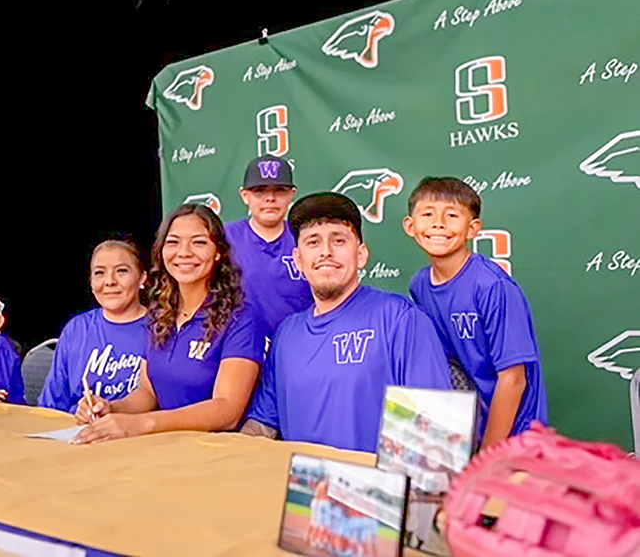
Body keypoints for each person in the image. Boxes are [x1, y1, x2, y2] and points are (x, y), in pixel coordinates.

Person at [242, 192, 452, 452]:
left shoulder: (399, 318)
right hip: (304, 490)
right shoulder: (286, 334)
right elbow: (263, 424)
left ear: (361, 255)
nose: (326, 252)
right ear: (298, 260)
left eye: (339, 240)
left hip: (375, 489)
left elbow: (435, 430)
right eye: (313, 242)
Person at [72, 204, 266, 444]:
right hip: (162, 450)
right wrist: (112, 408)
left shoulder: (241, 319)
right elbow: (148, 392)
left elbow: (227, 411)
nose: (184, 252)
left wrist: (145, 424)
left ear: (218, 253)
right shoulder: (159, 314)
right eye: (173, 242)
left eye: (198, 242)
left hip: (215, 456)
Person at [402, 177, 548, 449]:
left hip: (516, 438)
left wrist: (488, 455)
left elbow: (513, 379)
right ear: (410, 226)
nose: (438, 224)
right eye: (428, 214)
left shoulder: (493, 287)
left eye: (452, 215)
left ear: (473, 228)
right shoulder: (419, 285)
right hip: (464, 434)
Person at [37, 239, 148, 413]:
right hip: (77, 433)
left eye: (121, 271)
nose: (109, 281)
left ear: (142, 278)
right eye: (99, 273)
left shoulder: (161, 329)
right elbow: (51, 406)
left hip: (141, 436)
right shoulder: (76, 329)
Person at [225, 156, 313, 331]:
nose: (270, 198)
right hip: (239, 346)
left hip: (298, 343)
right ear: (244, 195)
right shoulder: (224, 237)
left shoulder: (306, 237)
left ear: (292, 194)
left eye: (279, 190)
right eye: (259, 190)